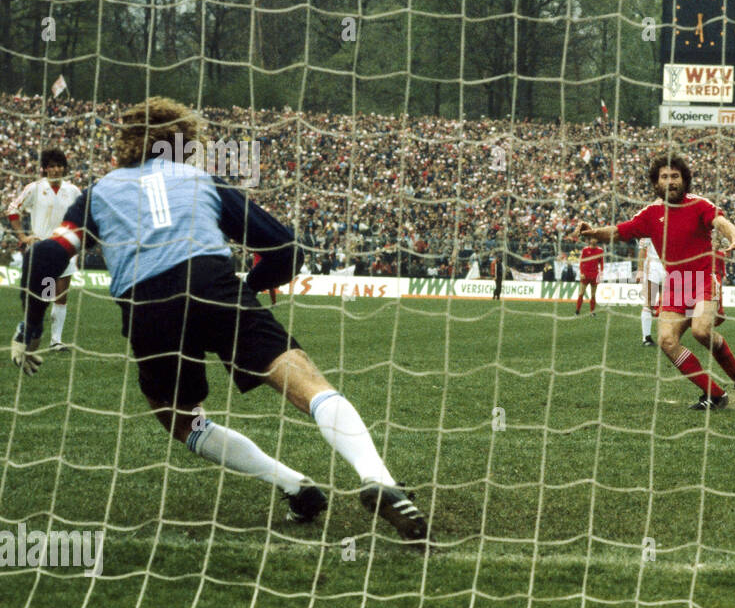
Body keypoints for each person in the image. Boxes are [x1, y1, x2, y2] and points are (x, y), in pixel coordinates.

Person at [10, 96, 429, 541]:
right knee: (304, 381)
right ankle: (377, 476)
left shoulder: (97, 194)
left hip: (147, 305)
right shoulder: (200, 179)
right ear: (186, 141)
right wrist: (251, 288)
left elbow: (43, 258)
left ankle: (293, 485)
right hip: (213, 283)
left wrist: (30, 328)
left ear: (127, 142)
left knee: (182, 420)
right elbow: (286, 248)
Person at [577, 154, 735, 410]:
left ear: (684, 180)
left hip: (704, 278)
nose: (670, 181)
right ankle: (715, 395)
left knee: (701, 331)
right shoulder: (651, 214)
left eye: (675, 176)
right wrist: (593, 233)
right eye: (664, 177)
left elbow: (722, 223)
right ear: (656, 183)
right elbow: (618, 231)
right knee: (667, 341)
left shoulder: (699, 205)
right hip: (675, 284)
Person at [7, 148, 80, 351]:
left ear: (64, 168)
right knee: (44, 296)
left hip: (66, 249)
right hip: (43, 251)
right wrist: (22, 236)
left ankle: (56, 341)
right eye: (51, 166)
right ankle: (31, 331)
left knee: (61, 296)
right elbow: (12, 209)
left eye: (59, 166)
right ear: (45, 168)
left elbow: (83, 214)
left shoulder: (73, 190)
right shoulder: (35, 188)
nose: (56, 170)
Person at [637, 235, 665, 346]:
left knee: (667, 304)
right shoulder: (651, 222)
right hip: (653, 265)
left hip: (669, 265)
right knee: (649, 302)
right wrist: (640, 270)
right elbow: (642, 250)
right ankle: (646, 337)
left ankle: (665, 336)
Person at [576, 242, 603, 314]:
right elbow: (581, 262)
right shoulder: (585, 250)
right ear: (590, 240)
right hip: (585, 275)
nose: (594, 240)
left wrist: (601, 273)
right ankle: (577, 311)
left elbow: (601, 262)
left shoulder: (600, 250)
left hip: (595, 275)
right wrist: (581, 272)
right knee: (581, 293)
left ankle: (592, 311)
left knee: (593, 294)